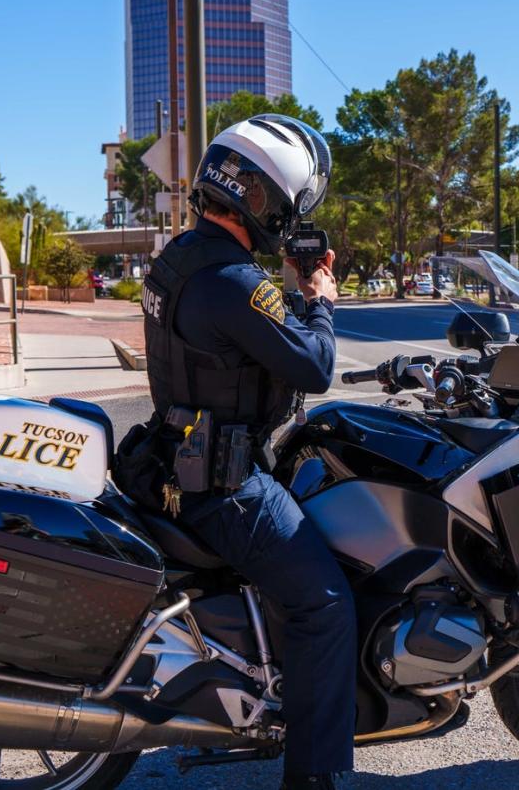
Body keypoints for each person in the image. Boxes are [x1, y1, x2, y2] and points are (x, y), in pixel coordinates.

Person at [137, 115, 353, 789]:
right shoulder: (235, 281)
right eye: (287, 213)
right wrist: (318, 298)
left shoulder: (178, 260)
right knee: (325, 604)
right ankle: (313, 778)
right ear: (263, 200)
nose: (289, 227)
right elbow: (313, 366)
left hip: (175, 463)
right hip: (225, 488)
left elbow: (235, 350)